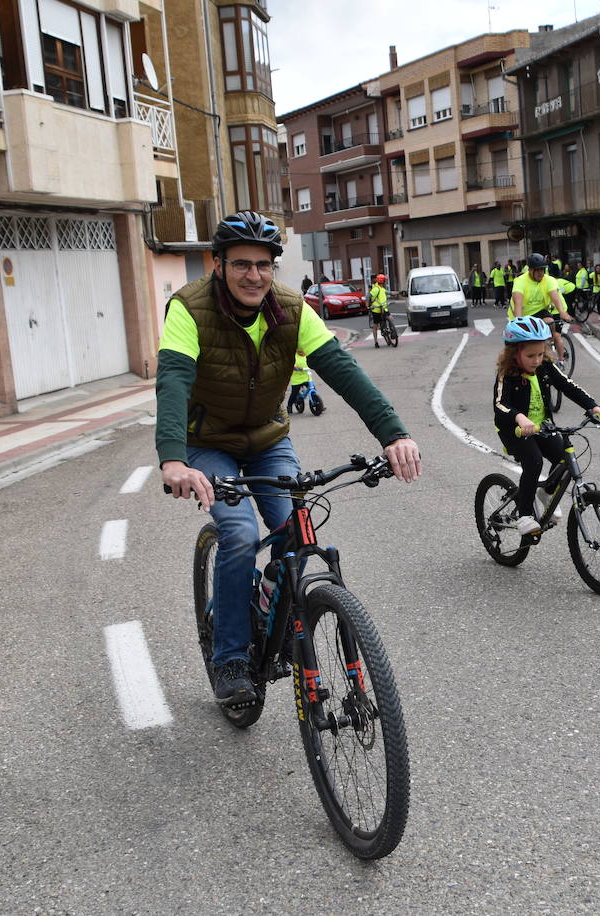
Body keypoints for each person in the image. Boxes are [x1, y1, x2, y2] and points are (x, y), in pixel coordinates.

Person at [156, 212, 422, 705]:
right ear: (218, 264)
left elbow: (341, 369)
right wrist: (173, 460)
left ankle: (268, 600)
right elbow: (173, 381)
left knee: (296, 531)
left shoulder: (292, 308)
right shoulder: (189, 309)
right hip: (208, 441)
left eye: (264, 265)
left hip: (266, 438)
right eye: (241, 264)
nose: (254, 275)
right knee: (239, 534)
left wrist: (394, 434)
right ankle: (230, 657)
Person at [493, 315, 600, 535]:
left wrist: (593, 407)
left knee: (564, 458)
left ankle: (546, 491)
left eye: (540, 354)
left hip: (543, 427)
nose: (536, 360)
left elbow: (568, 386)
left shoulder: (545, 367)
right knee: (534, 461)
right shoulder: (507, 373)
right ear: (514, 353)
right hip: (514, 430)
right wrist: (519, 417)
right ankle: (525, 515)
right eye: (530, 356)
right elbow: (500, 404)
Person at [511, 252, 574, 365]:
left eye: (543, 270)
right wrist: (518, 321)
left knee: (550, 323)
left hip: (540, 311)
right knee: (521, 343)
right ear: (530, 270)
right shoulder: (520, 281)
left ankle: (547, 352)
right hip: (524, 314)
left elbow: (555, 297)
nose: (541, 273)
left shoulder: (549, 280)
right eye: (538, 270)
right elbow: (518, 303)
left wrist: (562, 312)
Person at [287, 349, 323, 416]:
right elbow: (290, 365)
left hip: (306, 377)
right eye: (299, 350)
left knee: (313, 388)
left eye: (302, 350)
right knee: (294, 393)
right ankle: (289, 406)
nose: (301, 351)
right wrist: (295, 368)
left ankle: (318, 403)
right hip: (297, 379)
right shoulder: (294, 356)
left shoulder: (307, 355)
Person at [368, 272, 390, 347]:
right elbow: (369, 296)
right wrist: (368, 305)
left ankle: (388, 334)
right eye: (374, 279)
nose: (375, 280)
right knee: (376, 325)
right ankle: (376, 342)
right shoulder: (373, 287)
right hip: (376, 308)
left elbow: (385, 293)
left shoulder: (380, 287)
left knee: (386, 321)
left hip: (383, 307)